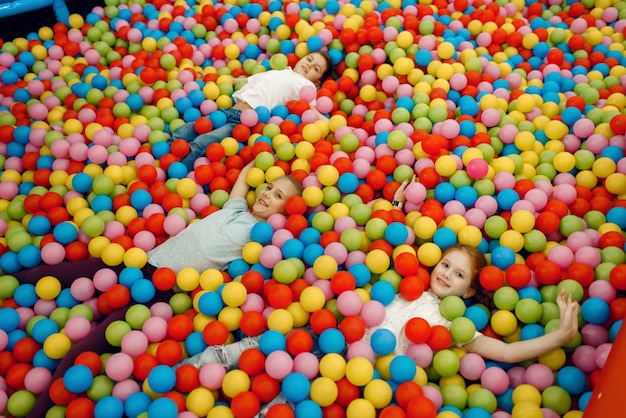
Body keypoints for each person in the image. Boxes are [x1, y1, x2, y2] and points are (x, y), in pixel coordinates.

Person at [12, 161, 303, 418]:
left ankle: (39, 410)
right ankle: (14, 275)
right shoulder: (237, 208)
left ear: (286, 210)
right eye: (268, 187)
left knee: (88, 349)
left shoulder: (261, 238)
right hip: (141, 263)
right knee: (53, 275)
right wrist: (252, 163)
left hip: (163, 292)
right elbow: (241, 186)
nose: (266, 194)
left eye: (278, 196)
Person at [171, 51, 333, 169]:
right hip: (228, 111)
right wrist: (210, 77)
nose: (309, 65)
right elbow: (243, 80)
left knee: (204, 142)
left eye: (315, 68)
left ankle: (176, 171)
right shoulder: (279, 71)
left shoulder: (307, 86)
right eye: (309, 59)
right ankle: (167, 151)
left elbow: (311, 110)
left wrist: (334, 126)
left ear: (317, 82)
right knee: (190, 128)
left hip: (244, 122)